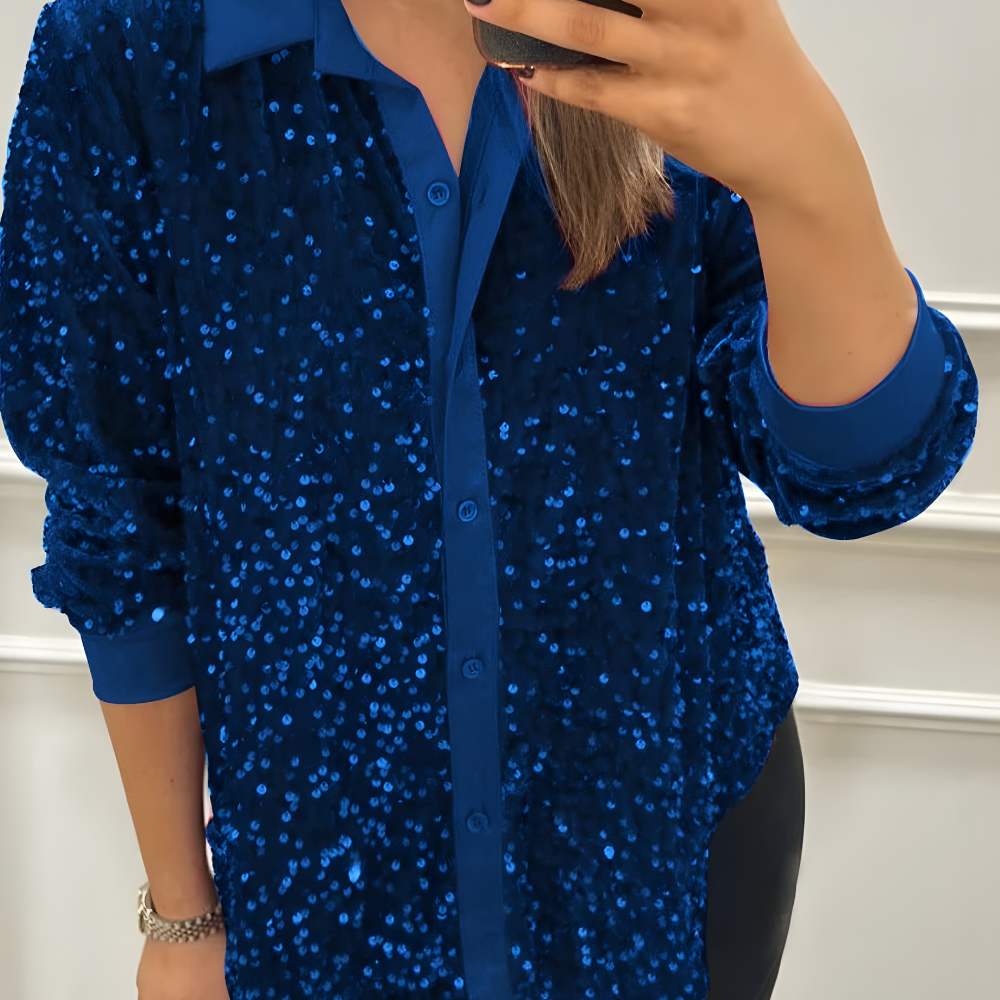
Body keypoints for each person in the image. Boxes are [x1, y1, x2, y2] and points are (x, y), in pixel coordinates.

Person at [0, 0, 976, 998]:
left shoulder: (658, 16)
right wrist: (182, 912)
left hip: (663, 850)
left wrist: (809, 167)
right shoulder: (132, 42)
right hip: (325, 886)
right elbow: (116, 511)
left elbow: (856, 471)